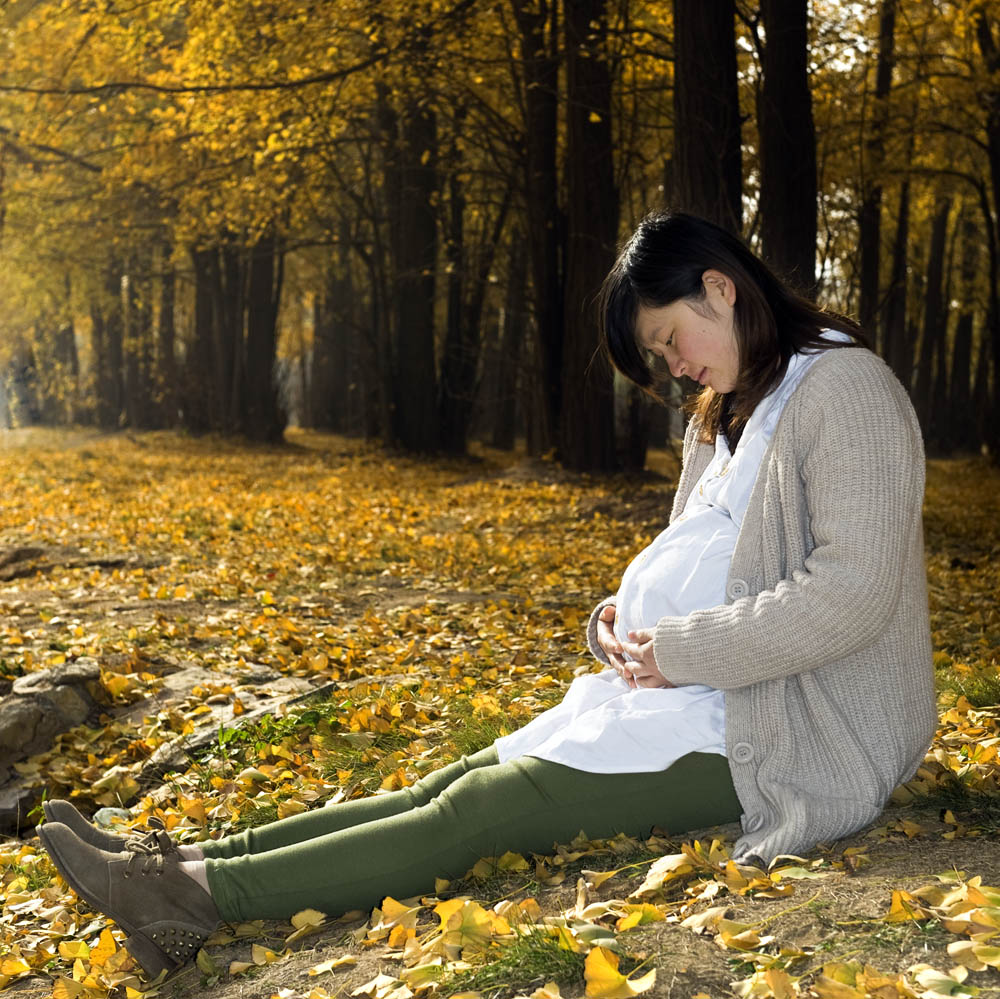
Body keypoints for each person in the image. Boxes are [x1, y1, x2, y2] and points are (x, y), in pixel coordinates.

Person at [38, 211, 936, 980]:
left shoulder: (845, 389)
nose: (674, 369)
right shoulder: (735, 407)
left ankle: (190, 902)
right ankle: (178, 861)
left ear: (720, 287)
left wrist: (680, 648)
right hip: (687, 691)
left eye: (670, 341)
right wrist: (623, 624)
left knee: (484, 809)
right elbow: (694, 551)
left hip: (785, 727)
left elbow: (851, 590)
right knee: (458, 775)